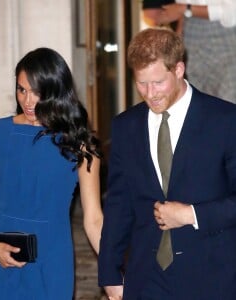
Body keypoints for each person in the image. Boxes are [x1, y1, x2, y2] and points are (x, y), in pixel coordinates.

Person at [98, 28, 236, 299]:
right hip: (146, 278)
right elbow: (118, 206)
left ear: (179, 69)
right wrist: (110, 273)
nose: (150, 94)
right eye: (141, 83)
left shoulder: (226, 120)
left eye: (158, 82)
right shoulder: (125, 126)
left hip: (213, 276)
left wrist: (191, 215)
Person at [0, 47, 103, 300]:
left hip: (52, 259)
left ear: (55, 90)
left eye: (38, 92)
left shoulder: (80, 145)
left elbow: (94, 219)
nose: (28, 101)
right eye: (22, 90)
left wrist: (113, 274)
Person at [146, 1, 236, 103]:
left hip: (224, 33)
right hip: (191, 31)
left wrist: (184, 9)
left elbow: (231, 13)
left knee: (229, 97)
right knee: (200, 102)